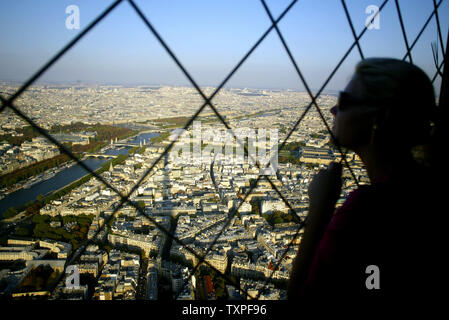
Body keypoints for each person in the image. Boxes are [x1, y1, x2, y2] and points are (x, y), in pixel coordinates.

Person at [287, 58, 442, 301]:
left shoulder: (369, 210)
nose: (333, 109)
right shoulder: (423, 187)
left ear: (379, 118)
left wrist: (320, 208)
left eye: (344, 101)